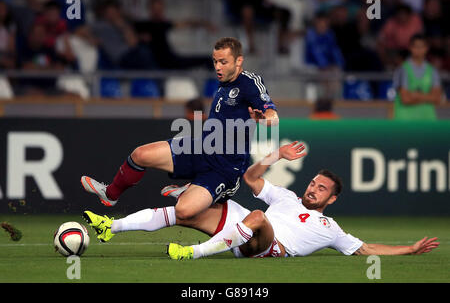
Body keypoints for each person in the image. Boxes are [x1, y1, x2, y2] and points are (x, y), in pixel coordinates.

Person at [82, 142, 440, 259]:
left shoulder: (329, 227)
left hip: (269, 244)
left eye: (321, 189)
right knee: (183, 212)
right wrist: (276, 156)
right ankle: (111, 226)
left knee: (257, 216)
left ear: (332, 198)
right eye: (313, 183)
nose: (313, 189)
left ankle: (191, 254)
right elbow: (251, 178)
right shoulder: (285, 196)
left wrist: (408, 249)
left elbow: (364, 249)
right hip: (243, 226)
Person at [81, 37, 279, 228]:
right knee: (140, 155)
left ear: (239, 61)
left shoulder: (250, 82)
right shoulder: (224, 81)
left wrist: (266, 119)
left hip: (226, 168)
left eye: (223, 62)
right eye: (215, 61)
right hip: (203, 149)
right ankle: (111, 194)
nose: (218, 67)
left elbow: (272, 114)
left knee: (183, 211)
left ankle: (192, 190)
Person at [393, 34, 443, 120]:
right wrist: (428, 96)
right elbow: (405, 99)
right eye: (416, 47)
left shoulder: (433, 71)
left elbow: (437, 98)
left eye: (421, 46)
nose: (419, 50)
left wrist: (415, 95)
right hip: (406, 121)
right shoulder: (402, 70)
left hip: (427, 120)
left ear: (427, 48)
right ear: (410, 48)